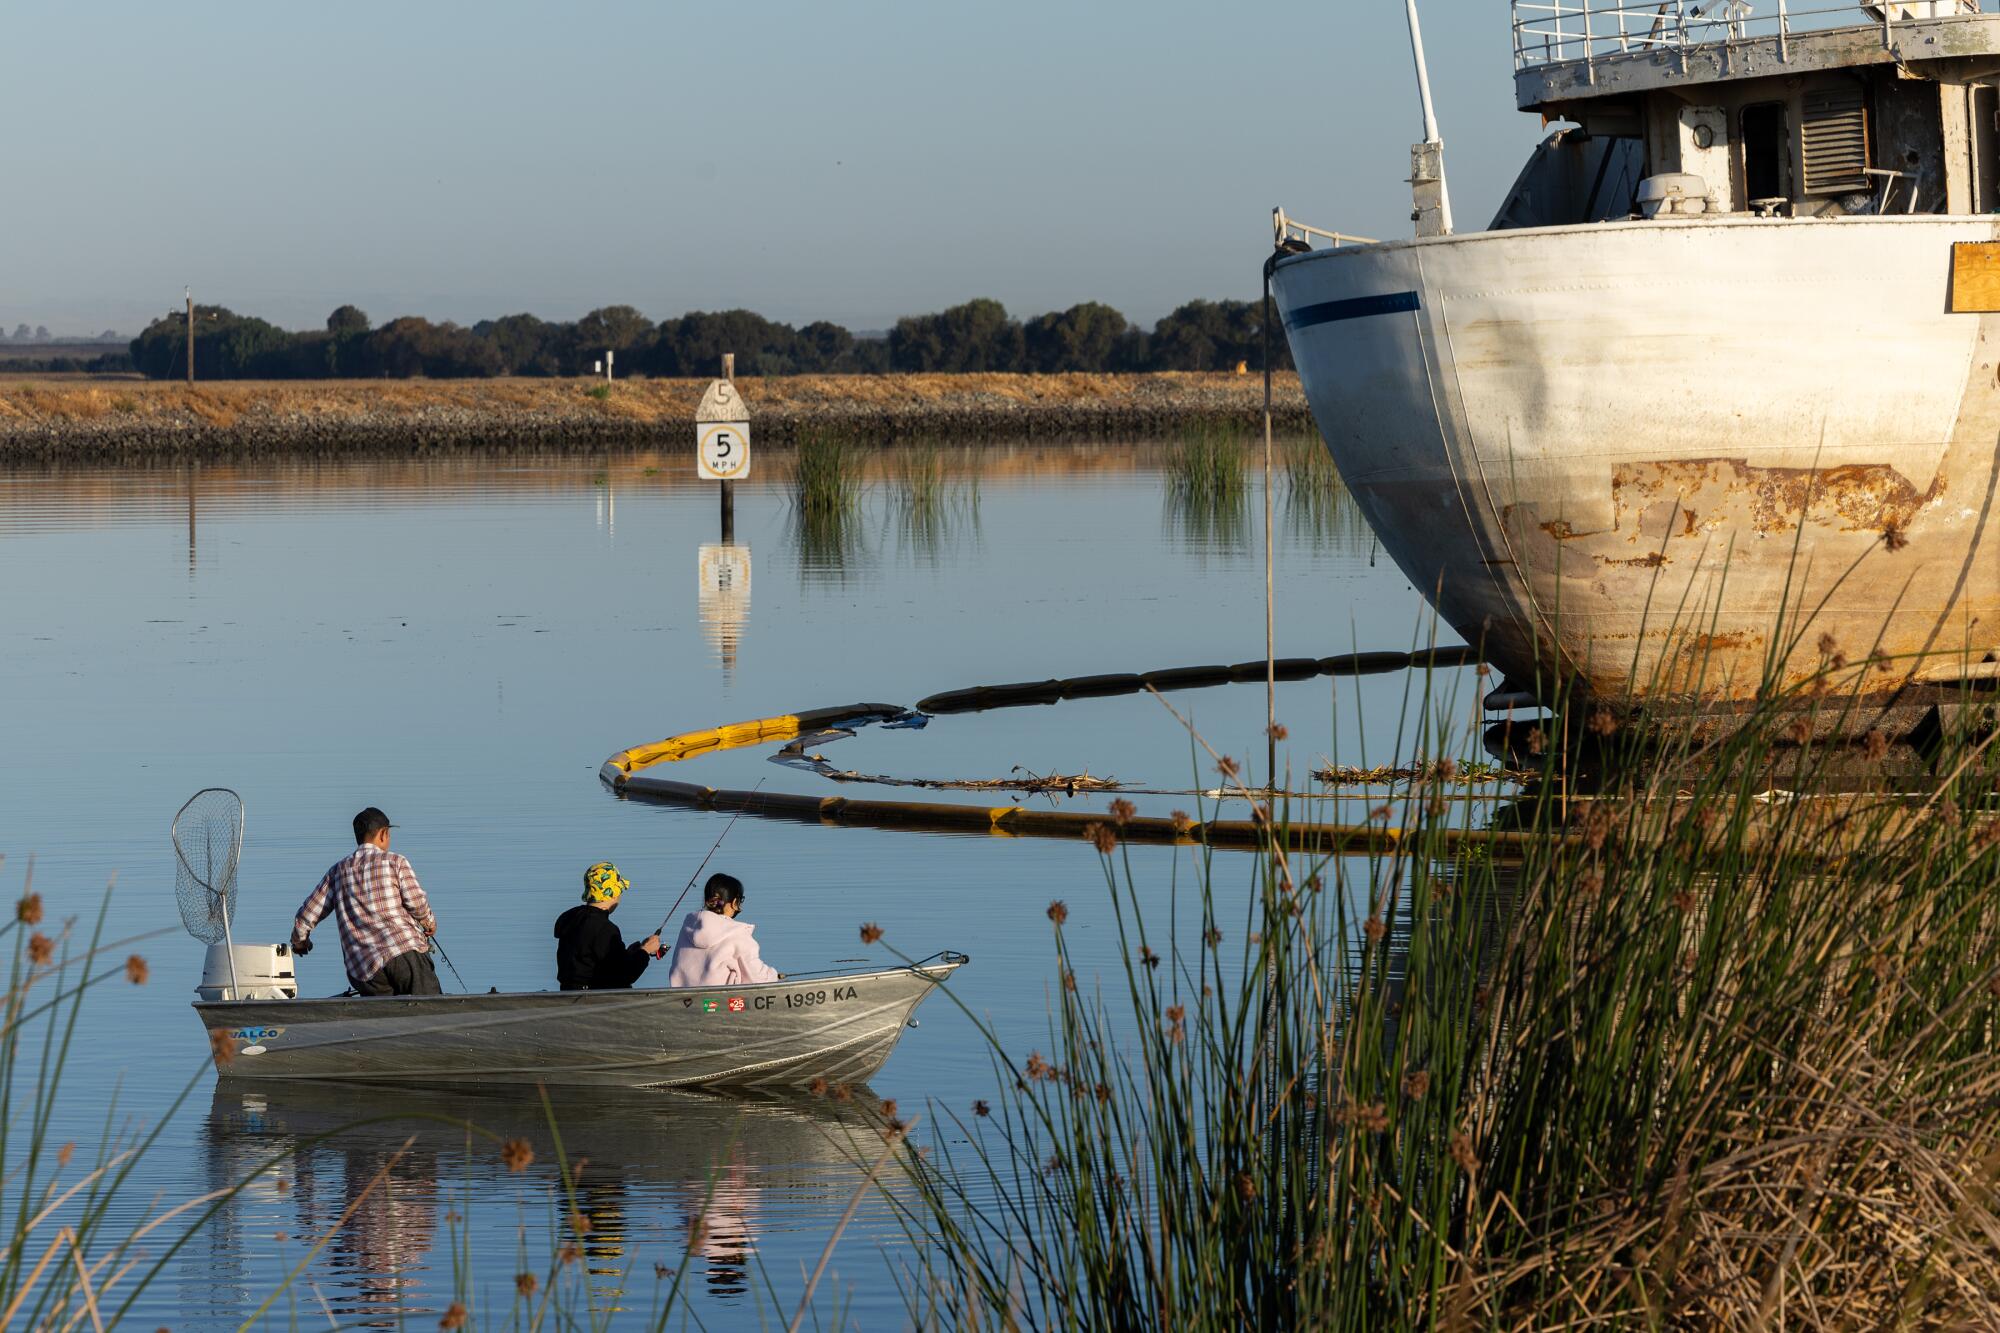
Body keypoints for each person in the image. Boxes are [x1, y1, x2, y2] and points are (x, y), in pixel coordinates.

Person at [292, 807, 442, 996]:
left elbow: (305, 917)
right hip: (403, 953)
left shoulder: (337, 872)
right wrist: (428, 922)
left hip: (365, 970)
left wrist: (300, 943)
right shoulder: (395, 862)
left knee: (383, 1021)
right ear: (383, 834)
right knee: (431, 1009)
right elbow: (417, 903)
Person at [554, 862, 662, 991]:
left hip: (567, 992)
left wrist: (630, 954)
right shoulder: (605, 929)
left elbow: (593, 961)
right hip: (595, 998)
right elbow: (625, 975)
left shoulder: (571, 918)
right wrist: (645, 951)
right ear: (614, 893)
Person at [666, 873, 780, 988]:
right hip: (722, 1000)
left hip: (684, 997)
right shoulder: (738, 932)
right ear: (735, 903)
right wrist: (773, 976)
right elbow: (756, 976)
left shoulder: (689, 925)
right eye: (740, 900)